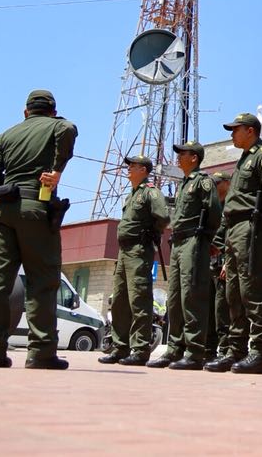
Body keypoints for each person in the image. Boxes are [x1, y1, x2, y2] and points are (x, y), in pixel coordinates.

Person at [0, 90, 77, 370]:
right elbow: (69, 128)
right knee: (42, 282)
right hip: (36, 207)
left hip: (5, 211)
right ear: (53, 111)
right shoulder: (59, 125)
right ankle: (41, 352)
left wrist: (7, 179)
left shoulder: (7, 135)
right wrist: (57, 168)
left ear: (26, 112)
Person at [215, 112, 262, 375]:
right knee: (233, 292)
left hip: (251, 227)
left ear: (251, 131)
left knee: (251, 289)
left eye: (236, 129)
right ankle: (236, 350)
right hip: (235, 228)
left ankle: (260, 352)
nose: (232, 134)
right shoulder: (244, 160)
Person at [147, 140, 220, 370]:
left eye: (183, 154)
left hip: (194, 241)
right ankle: (174, 349)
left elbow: (214, 213)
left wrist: (207, 240)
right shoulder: (184, 184)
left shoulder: (203, 182)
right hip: (178, 243)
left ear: (194, 158)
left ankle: (195, 351)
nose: (178, 158)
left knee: (192, 295)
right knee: (176, 298)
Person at [98, 155, 169, 366]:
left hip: (139, 250)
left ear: (144, 170)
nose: (128, 169)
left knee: (139, 299)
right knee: (119, 300)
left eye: (133, 166)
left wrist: (150, 232)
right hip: (124, 252)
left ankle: (140, 349)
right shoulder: (132, 195)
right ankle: (120, 347)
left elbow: (163, 217)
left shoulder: (150, 192)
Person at [207, 170, 245, 368]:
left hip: (226, 262)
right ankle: (210, 349)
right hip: (213, 265)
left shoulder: (233, 204)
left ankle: (225, 349)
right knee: (212, 311)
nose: (213, 188)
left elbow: (231, 237)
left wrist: (226, 263)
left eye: (216, 183)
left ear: (226, 183)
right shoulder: (215, 206)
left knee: (224, 310)